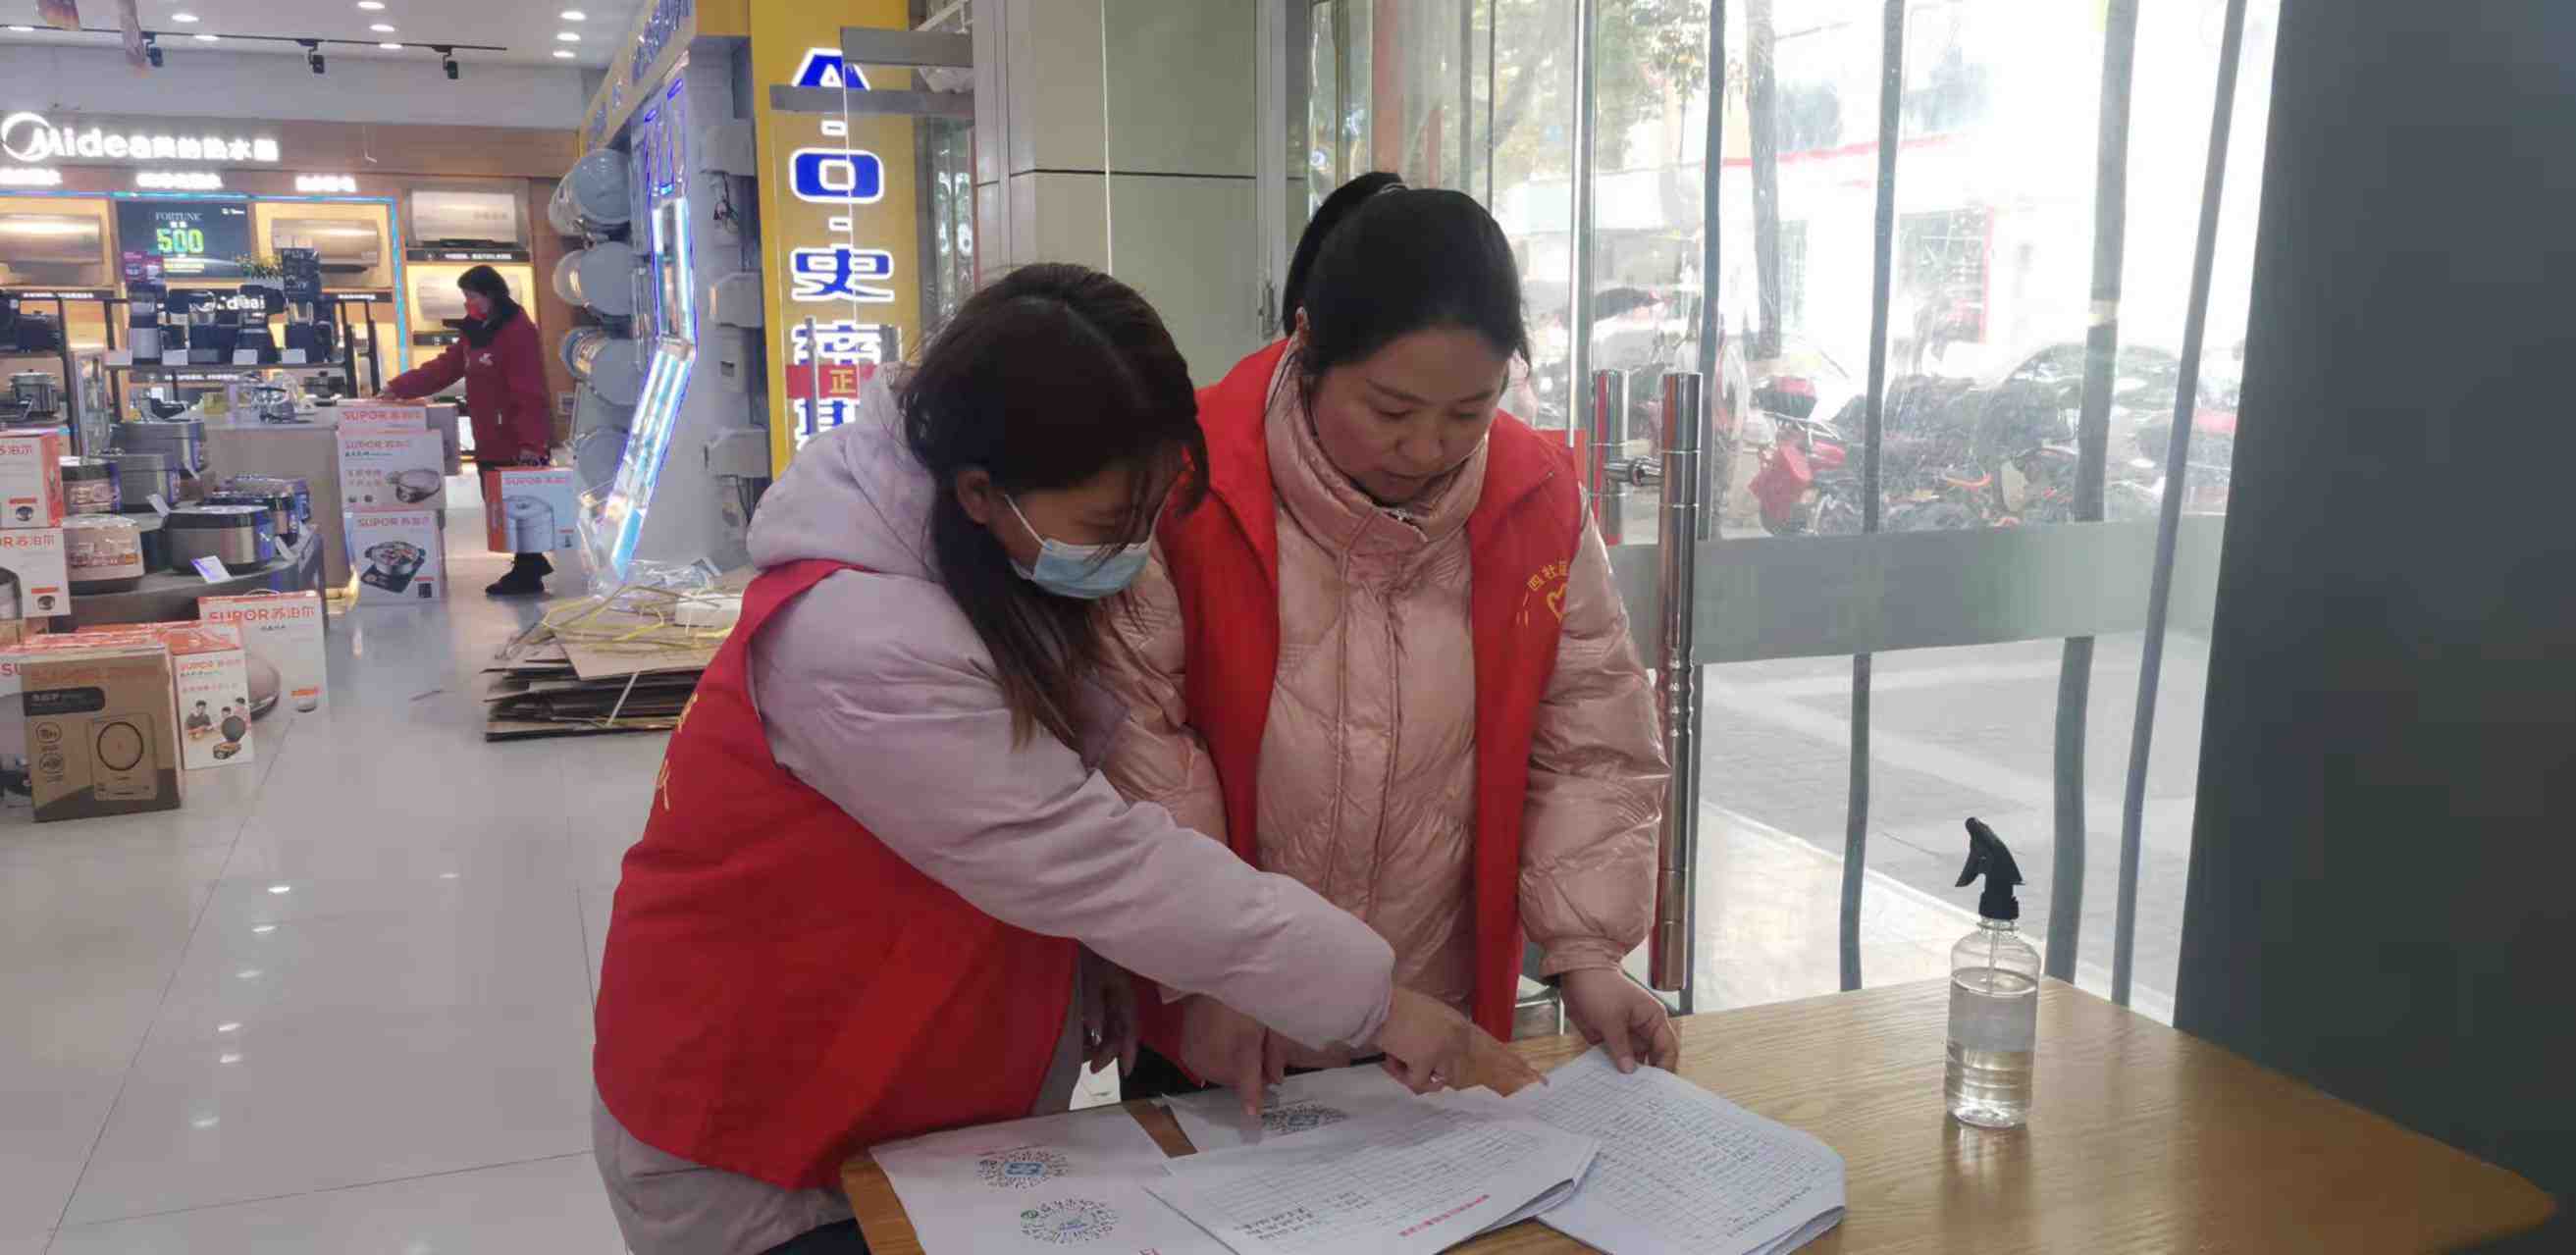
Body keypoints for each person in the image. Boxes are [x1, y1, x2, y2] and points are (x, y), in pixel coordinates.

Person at [590, 264, 1532, 1255]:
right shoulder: (859, 640)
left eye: (1148, 516)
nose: (1132, 553)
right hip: (762, 1130)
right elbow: (1097, 857)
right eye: (1105, 528)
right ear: (980, 491)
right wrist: (1377, 1002)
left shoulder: (985, 555)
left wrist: (1092, 974)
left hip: (906, 1086)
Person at [1100, 174, 1678, 1104]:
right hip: (1221, 1019)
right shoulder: (1189, 481)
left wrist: (1587, 952)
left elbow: (1594, 743)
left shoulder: (1538, 504)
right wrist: (1212, 967)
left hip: (1435, 1028)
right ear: (1306, 346)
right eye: (1391, 411)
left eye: (1468, 412)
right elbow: (1140, 748)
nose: (1427, 448)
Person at [379, 264, 554, 597]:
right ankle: (530, 565)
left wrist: (531, 443)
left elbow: (529, 390)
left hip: (514, 437)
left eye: (472, 296)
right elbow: (445, 368)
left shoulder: (518, 331)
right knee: (498, 501)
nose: (467, 303)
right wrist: (398, 387)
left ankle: (528, 571)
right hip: (488, 433)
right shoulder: (476, 331)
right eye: (465, 297)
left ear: (491, 295)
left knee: (516, 504)